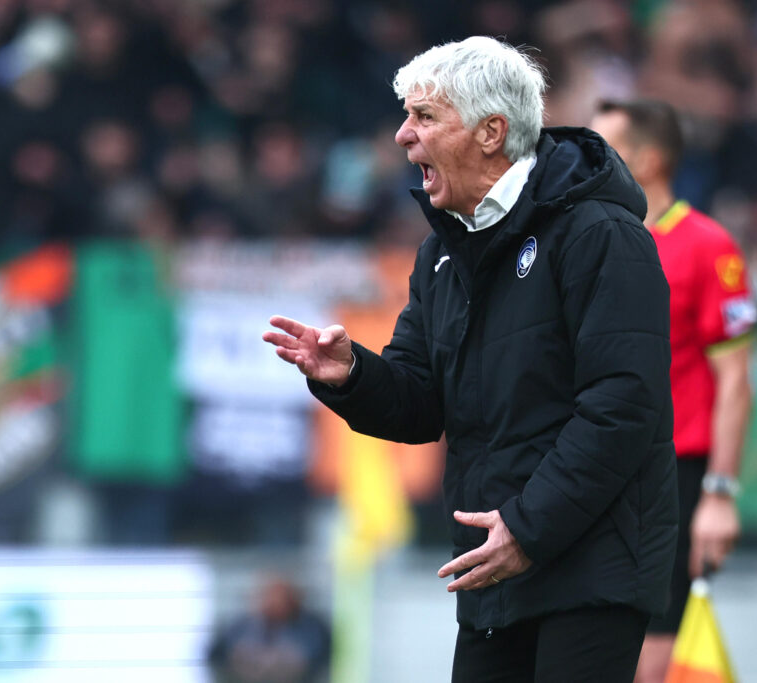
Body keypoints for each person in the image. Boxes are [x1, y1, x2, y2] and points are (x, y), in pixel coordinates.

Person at [263, 37, 677, 683]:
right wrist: (352, 376)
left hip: (589, 569)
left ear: (491, 132)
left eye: (424, 116)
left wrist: (527, 528)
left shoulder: (601, 234)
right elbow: (421, 403)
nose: (403, 136)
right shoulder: (442, 253)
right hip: (496, 568)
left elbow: (622, 406)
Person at [590, 100, 757, 683]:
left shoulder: (709, 246)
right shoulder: (590, 241)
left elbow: (736, 379)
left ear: (650, 159)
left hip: (671, 477)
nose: (587, 160)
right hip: (593, 471)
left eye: (604, 147)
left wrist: (720, 494)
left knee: (651, 654)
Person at [206, 576, 331, 683]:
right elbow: (217, 657)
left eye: (281, 596)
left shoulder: (312, 627)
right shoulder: (241, 625)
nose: (274, 601)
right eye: (269, 595)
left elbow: (315, 659)